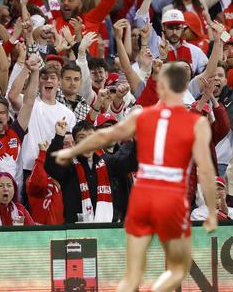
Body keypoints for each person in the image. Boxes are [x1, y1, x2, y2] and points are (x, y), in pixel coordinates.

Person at [53, 62, 218, 292]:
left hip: (117, 229)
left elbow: (129, 159)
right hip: (80, 233)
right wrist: (59, 140)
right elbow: (54, 170)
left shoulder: (110, 163)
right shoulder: (72, 166)